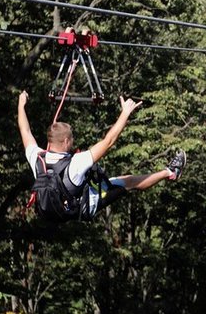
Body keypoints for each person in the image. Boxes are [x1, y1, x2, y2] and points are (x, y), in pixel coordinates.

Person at [17, 90, 186, 222]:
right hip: (81, 207)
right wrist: (125, 113)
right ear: (66, 140)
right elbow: (109, 141)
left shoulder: (37, 158)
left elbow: (25, 130)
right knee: (128, 181)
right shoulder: (76, 162)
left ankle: (168, 172)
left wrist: (21, 104)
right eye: (72, 139)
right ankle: (170, 172)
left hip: (49, 211)